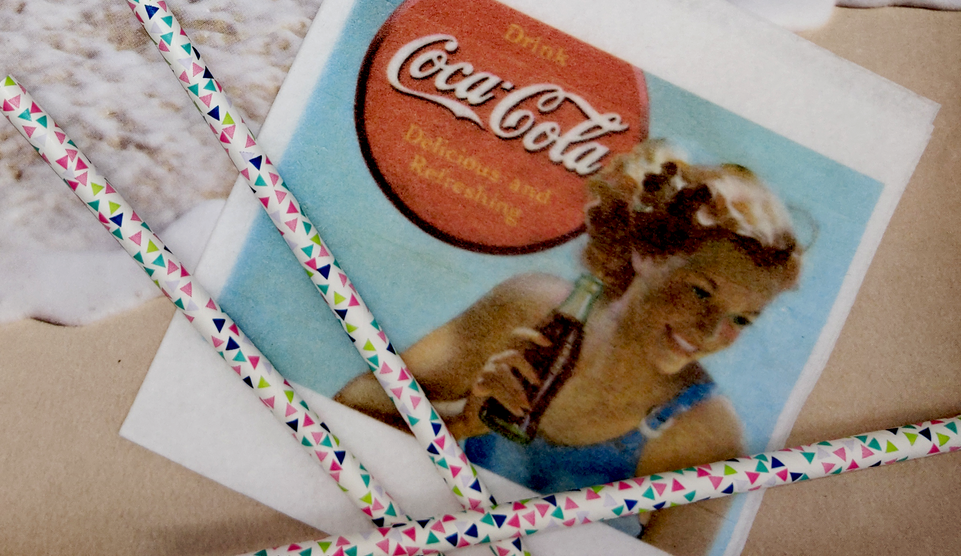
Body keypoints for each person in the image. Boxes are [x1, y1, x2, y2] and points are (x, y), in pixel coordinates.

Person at [334, 140, 804, 554]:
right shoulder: (530, 308)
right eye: (702, 292)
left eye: (740, 319)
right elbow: (346, 410)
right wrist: (458, 420)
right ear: (649, 252)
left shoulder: (705, 432)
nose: (707, 329)